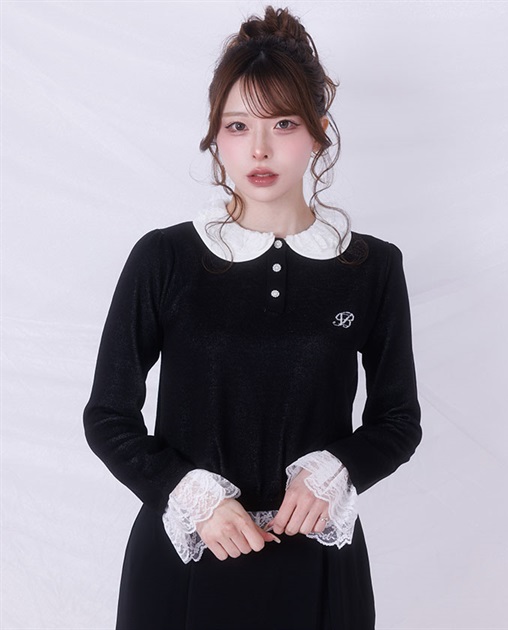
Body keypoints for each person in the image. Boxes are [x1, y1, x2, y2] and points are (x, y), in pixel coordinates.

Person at [83, 6, 422, 629]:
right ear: (216, 136)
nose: (259, 149)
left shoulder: (372, 268)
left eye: (283, 123)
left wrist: (336, 472)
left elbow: (398, 420)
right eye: (238, 126)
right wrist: (191, 494)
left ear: (318, 132)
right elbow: (108, 415)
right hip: (186, 561)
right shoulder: (165, 258)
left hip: (318, 567)